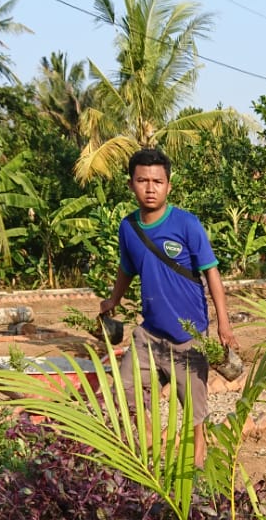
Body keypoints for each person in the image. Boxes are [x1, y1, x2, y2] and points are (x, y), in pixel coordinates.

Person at [100, 147, 236, 468]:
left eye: (157, 181)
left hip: (187, 335)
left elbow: (211, 273)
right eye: (142, 180)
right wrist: (113, 300)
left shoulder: (186, 224)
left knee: (194, 409)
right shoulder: (128, 227)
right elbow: (127, 268)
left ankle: (198, 466)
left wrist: (223, 324)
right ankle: (150, 458)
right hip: (149, 333)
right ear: (131, 184)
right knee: (128, 392)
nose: (150, 188)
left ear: (168, 186)